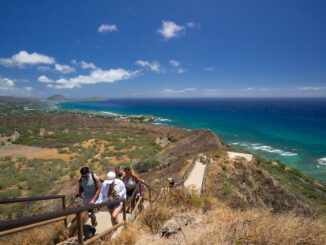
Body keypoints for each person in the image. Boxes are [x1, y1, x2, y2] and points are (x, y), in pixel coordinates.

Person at [96, 171, 126, 238]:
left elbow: (124, 190)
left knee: (114, 216)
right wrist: (99, 203)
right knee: (114, 218)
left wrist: (119, 194)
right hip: (109, 201)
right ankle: (115, 230)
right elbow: (101, 193)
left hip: (118, 201)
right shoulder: (104, 184)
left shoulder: (119, 183)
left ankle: (115, 231)